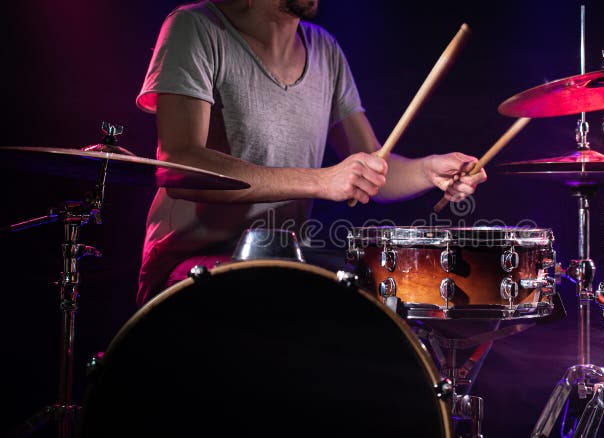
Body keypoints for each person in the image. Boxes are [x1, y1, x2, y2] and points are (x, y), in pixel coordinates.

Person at [135, 0, 488, 306]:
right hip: (190, 271)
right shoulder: (196, 27)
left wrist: (429, 171)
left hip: (282, 265)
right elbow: (181, 167)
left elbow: (371, 171)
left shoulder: (324, 49)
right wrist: (321, 181)